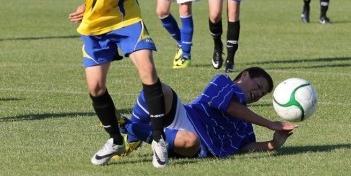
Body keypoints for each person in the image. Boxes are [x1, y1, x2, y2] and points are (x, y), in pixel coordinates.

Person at [68, 0, 169, 168]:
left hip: (128, 20)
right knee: (96, 88)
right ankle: (115, 140)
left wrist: (88, 2)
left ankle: (159, 139)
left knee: (147, 69)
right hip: (95, 27)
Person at [119, 67, 298, 159]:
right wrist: (270, 123)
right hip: (185, 117)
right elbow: (228, 106)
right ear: (244, 76)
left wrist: (273, 144)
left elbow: (244, 148)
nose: (259, 94)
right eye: (259, 87)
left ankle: (130, 128)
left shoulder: (246, 122)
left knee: (189, 141)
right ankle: (133, 140)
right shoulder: (223, 82)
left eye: (262, 94)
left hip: (199, 145)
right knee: (159, 89)